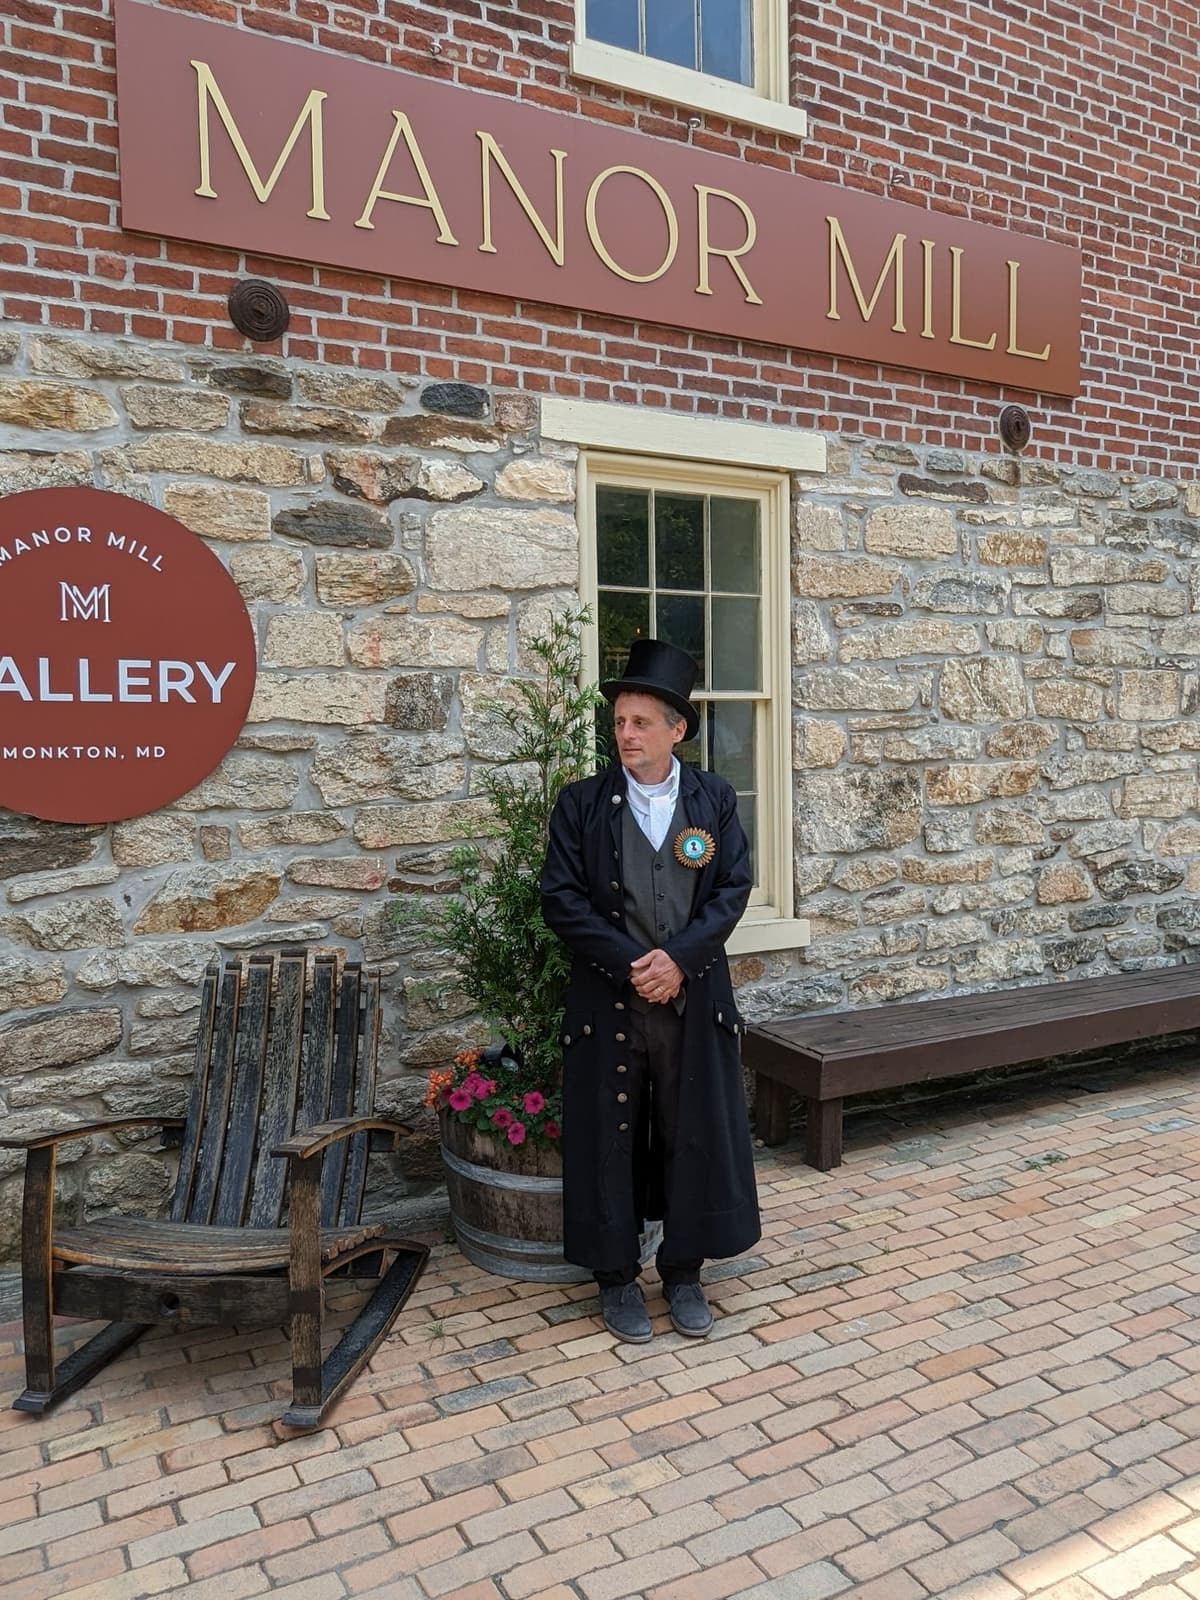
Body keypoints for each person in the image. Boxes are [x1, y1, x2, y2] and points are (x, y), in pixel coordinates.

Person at [540, 638, 762, 1342]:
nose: (626, 735)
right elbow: (561, 900)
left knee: (688, 1133)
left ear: (678, 730)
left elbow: (730, 890)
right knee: (613, 1138)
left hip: (692, 1005)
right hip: (610, 1002)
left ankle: (685, 1272)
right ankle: (615, 1280)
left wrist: (681, 962)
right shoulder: (582, 805)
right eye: (619, 723)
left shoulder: (713, 799)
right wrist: (637, 964)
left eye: (641, 722)